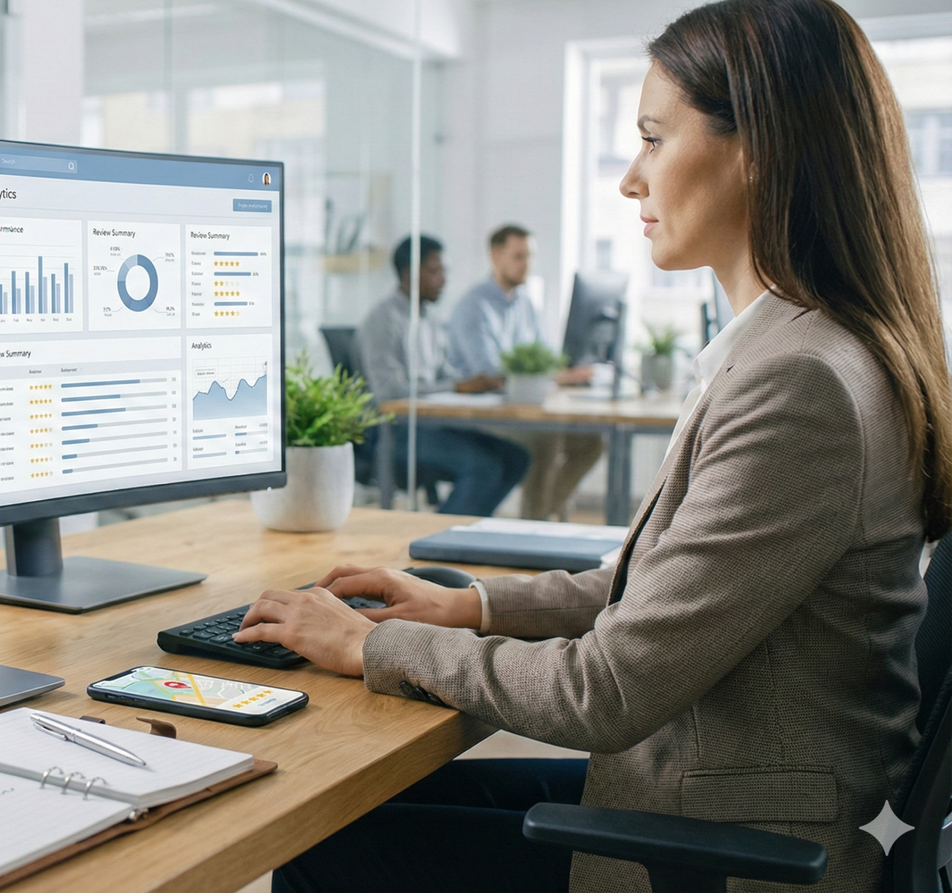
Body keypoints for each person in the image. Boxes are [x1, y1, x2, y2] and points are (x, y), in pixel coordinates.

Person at [239, 1, 952, 890]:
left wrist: (369, 647)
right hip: (708, 782)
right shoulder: (803, 352)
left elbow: (606, 689)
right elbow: (655, 592)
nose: (629, 178)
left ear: (757, 149)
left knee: (322, 849)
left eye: (654, 138)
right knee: (358, 817)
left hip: (733, 839)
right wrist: (466, 607)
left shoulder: (800, 384)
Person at [353, 235, 529, 516]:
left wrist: (479, 384)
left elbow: (444, 373)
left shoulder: (429, 320)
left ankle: (467, 533)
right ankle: (442, 538)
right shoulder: (383, 320)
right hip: (393, 432)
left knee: (516, 457)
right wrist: (457, 386)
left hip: (429, 425)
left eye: (444, 271)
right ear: (409, 273)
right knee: (484, 467)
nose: (443, 280)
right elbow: (389, 392)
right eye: (435, 271)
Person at [447, 225, 605, 520]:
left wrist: (566, 370)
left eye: (529, 256)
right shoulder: (474, 306)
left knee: (591, 441)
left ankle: (544, 514)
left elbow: (544, 355)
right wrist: (557, 377)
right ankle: (536, 522)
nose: (526, 264)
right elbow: (490, 372)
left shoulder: (525, 303)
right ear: (495, 256)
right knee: (546, 437)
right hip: (484, 413)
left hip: (521, 406)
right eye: (518, 256)